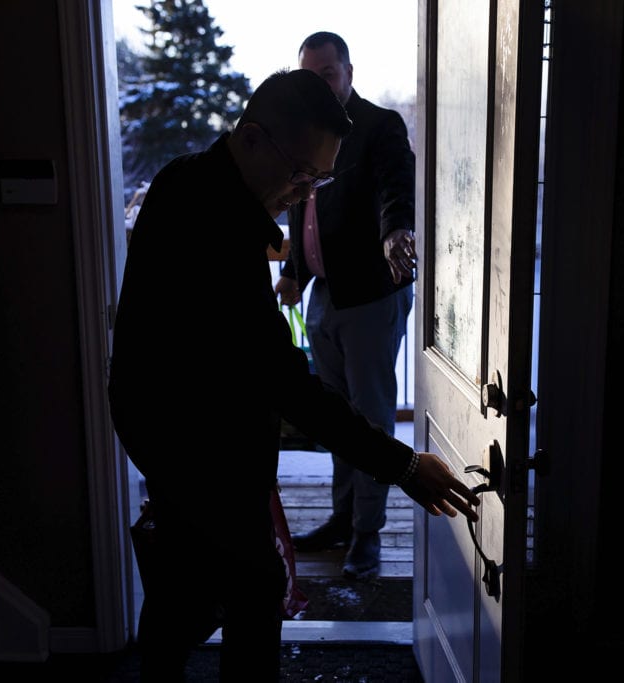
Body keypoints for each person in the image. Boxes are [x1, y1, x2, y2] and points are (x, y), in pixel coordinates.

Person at [107, 68, 479, 682]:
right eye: (302, 173)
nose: (306, 193)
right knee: (252, 589)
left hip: (179, 436)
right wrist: (405, 465)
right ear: (252, 139)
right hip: (192, 446)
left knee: (185, 593)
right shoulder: (216, 225)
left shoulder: (187, 181)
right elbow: (284, 379)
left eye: (321, 179)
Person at [275, 32, 418, 581]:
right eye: (310, 75)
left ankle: (367, 534)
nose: (321, 84)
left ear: (349, 72)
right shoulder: (304, 134)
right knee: (332, 419)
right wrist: (292, 273)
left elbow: (395, 185)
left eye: (328, 74)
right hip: (323, 295)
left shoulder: (379, 127)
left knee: (372, 422)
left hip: (370, 297)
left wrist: (395, 229)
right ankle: (340, 519)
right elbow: (300, 212)